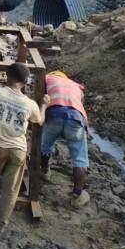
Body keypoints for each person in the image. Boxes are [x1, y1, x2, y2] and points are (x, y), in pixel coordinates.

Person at [0, 62, 49, 239]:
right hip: (18, 150)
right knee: (10, 190)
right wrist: (43, 104)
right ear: (25, 82)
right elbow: (39, 121)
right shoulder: (29, 104)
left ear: (7, 75)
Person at [41, 70, 90, 208]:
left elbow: (39, 97)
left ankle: (44, 171)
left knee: (45, 146)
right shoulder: (76, 86)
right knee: (79, 158)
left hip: (54, 114)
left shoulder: (47, 78)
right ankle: (77, 195)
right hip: (75, 118)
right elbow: (80, 105)